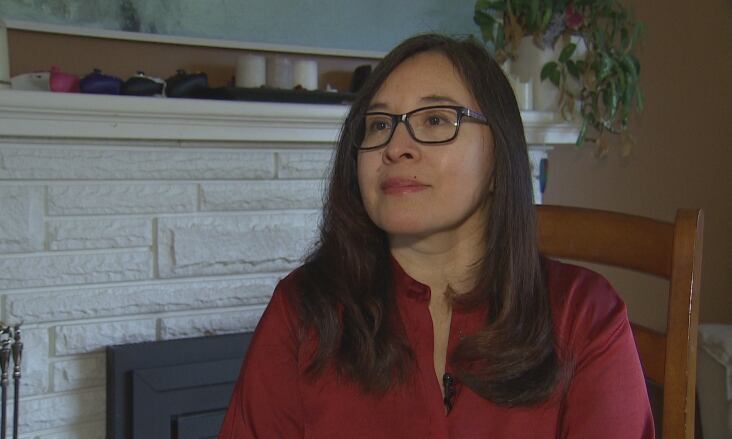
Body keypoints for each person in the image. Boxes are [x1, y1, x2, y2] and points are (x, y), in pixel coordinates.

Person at [219, 34, 654, 438]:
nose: (396, 146)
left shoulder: (585, 315)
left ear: (498, 160)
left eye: (435, 119)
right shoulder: (301, 311)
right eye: (378, 125)